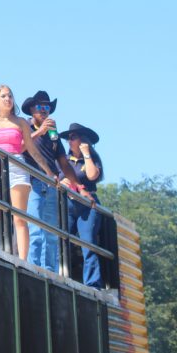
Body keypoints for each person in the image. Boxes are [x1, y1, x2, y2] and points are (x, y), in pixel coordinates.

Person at [0, 85, 46, 261]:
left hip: (17, 167)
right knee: (2, 216)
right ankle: (5, 256)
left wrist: (48, 172)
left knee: (19, 218)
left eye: (10, 96)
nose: (7, 99)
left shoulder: (21, 122)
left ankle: (22, 261)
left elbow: (31, 149)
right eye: (3, 96)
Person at [20, 90, 83, 273]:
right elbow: (19, 146)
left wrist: (79, 186)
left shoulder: (53, 134)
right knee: (35, 230)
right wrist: (40, 132)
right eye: (40, 106)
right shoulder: (25, 127)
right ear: (32, 109)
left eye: (47, 107)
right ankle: (33, 269)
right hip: (33, 182)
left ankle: (49, 272)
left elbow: (63, 163)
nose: (44, 110)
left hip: (52, 186)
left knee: (52, 234)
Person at [60, 123, 105, 288]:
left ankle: (92, 283)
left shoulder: (92, 158)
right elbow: (57, 177)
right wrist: (63, 182)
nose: (69, 141)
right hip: (67, 202)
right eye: (68, 138)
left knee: (88, 242)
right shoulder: (64, 160)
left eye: (73, 137)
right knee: (61, 239)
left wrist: (86, 153)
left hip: (88, 204)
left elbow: (92, 176)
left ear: (83, 140)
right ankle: (61, 276)